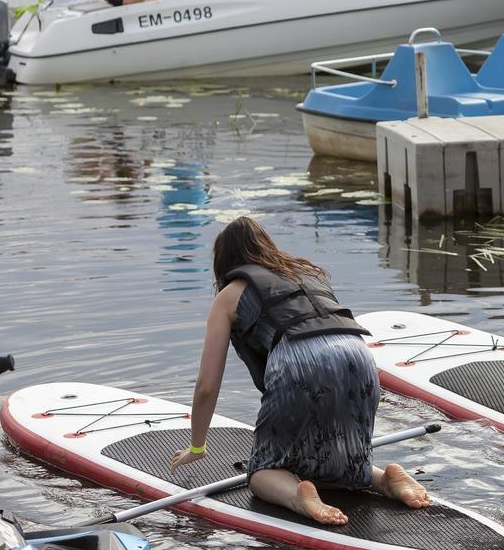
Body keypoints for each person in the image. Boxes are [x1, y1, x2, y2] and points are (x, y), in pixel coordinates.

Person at [169, 217, 431, 525]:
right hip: (359, 357)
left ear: (223, 262)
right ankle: (385, 479)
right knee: (336, 460)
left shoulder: (230, 294)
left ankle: (298, 497)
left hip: (299, 358)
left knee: (261, 474)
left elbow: (207, 386)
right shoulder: (307, 274)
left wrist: (197, 446)